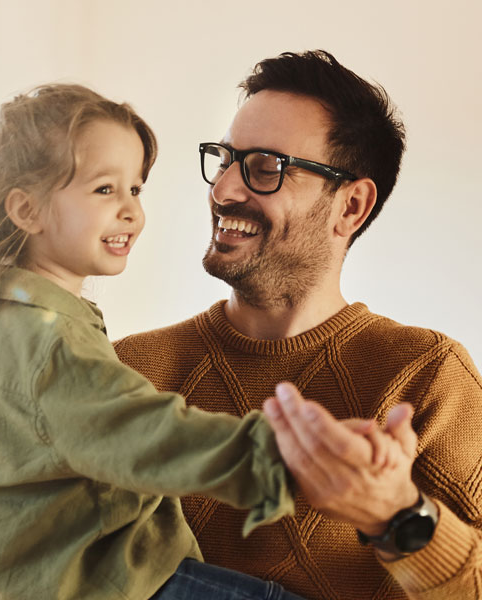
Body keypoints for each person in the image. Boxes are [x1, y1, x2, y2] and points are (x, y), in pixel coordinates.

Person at [0, 82, 341, 600]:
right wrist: (279, 456)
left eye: (136, 189)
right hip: (129, 586)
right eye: (105, 190)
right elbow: (145, 432)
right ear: (26, 210)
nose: (130, 211)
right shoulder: (49, 343)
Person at [114, 50, 482, 600]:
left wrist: (395, 515)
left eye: (265, 167)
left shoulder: (427, 377)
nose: (223, 191)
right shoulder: (125, 372)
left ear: (351, 207)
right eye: (225, 160)